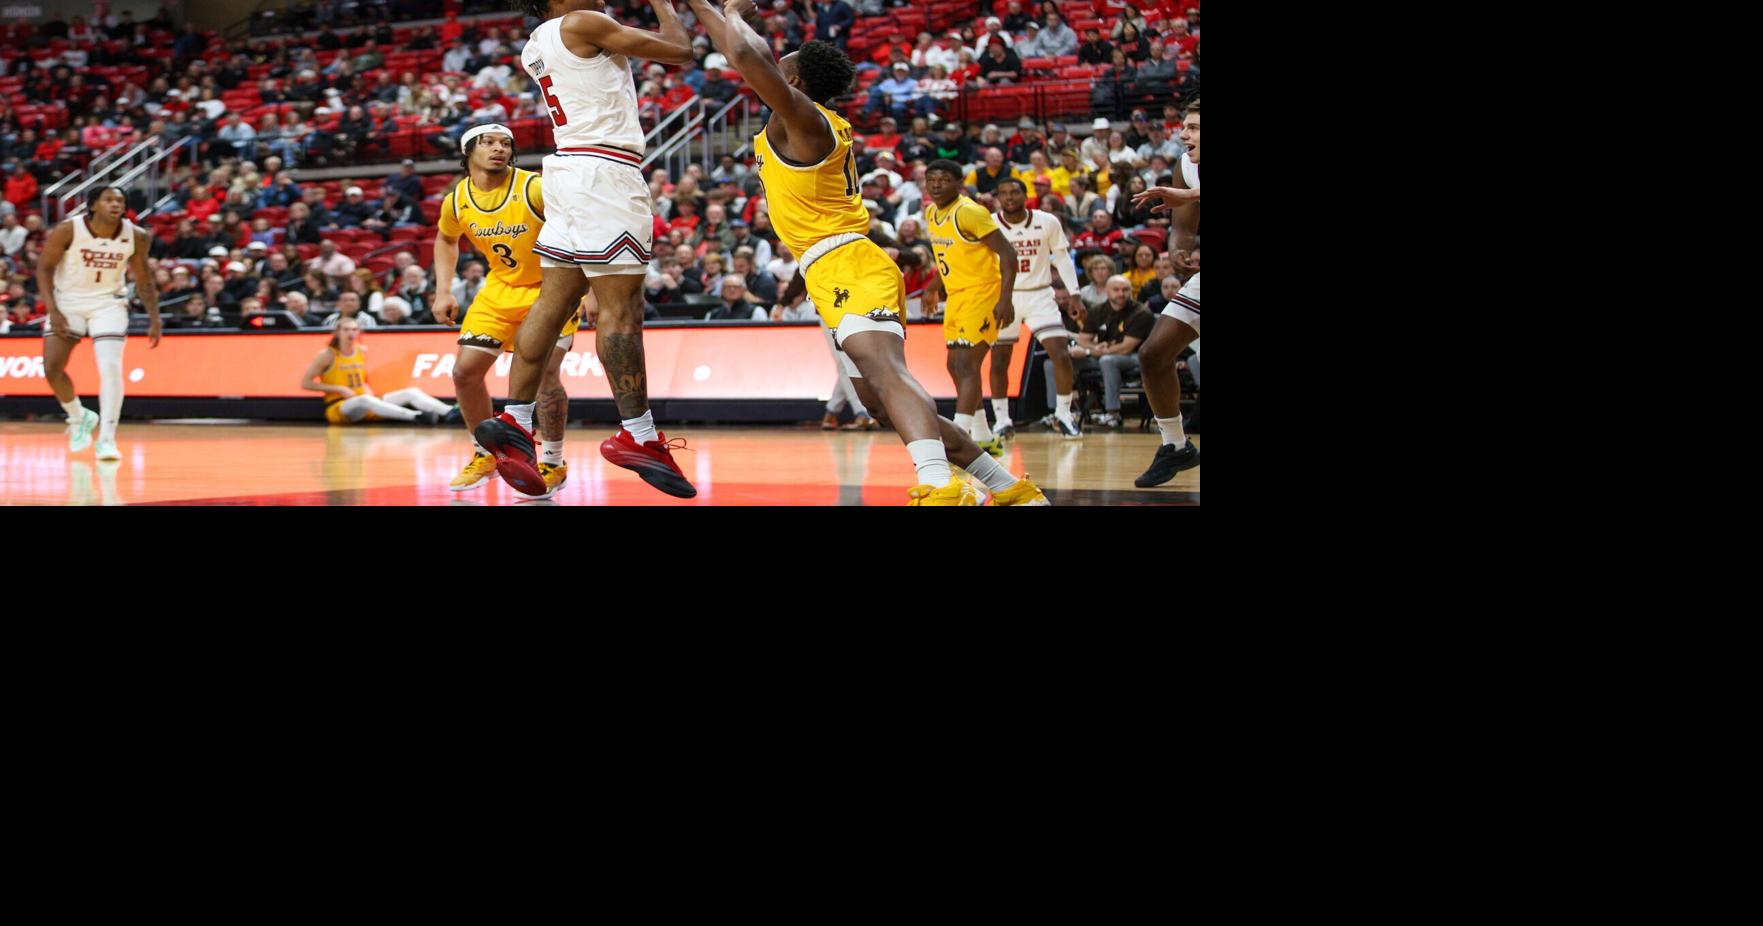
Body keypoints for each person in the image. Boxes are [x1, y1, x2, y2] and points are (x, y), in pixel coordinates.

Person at [690, 0, 1046, 505]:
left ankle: (942, 486)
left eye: (782, 65)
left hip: (851, 261)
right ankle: (1007, 487)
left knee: (886, 374)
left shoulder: (807, 121)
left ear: (795, 83)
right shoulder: (799, 116)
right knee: (878, 401)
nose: (773, 67)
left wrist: (732, 10)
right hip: (828, 268)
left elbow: (747, 54)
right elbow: (740, 50)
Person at [474, 0, 698, 500]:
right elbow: (680, 51)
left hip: (565, 170)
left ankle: (514, 417)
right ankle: (638, 436)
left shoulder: (537, 41)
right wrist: (664, 4)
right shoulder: (584, 22)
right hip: (605, 174)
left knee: (552, 304)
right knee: (622, 312)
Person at [430, 124, 584, 496]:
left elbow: (579, 227)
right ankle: (485, 453)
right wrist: (443, 291)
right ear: (468, 153)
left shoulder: (533, 187)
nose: (499, 149)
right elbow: (446, 239)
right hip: (500, 289)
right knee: (464, 372)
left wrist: (590, 286)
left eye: (506, 144)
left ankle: (552, 461)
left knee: (546, 373)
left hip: (552, 289)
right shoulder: (456, 200)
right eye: (489, 143)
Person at [35, 186, 161, 461]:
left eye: (120, 200)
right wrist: (53, 310)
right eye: (109, 199)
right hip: (68, 301)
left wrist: (155, 317)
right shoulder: (69, 229)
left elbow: (143, 279)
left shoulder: (137, 236)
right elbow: (44, 268)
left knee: (110, 368)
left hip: (108, 303)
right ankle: (79, 416)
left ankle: (107, 439)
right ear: (93, 205)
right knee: (52, 368)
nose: (116, 204)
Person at [920, 158, 1021, 461]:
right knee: (955, 366)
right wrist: (933, 285)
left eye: (943, 179)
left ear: (959, 183)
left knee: (966, 365)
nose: (936, 185)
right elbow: (947, 255)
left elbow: (1008, 253)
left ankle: (958, 438)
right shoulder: (931, 212)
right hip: (957, 295)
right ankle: (984, 437)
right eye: (931, 179)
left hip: (983, 294)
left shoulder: (970, 212)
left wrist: (1005, 298)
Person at [1128, 97, 1202, 485]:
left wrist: (1188, 196)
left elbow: (1188, 199)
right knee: (1154, 354)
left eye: (1193, 127)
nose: (1183, 133)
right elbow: (1185, 227)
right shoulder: (1187, 165)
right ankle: (1175, 445)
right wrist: (1179, 251)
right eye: (1185, 125)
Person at [989, 178, 1083, 439]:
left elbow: (1062, 258)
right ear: (998, 197)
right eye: (1004, 193)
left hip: (1040, 294)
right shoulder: (990, 223)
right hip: (1005, 297)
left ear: (1025, 194)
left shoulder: (1047, 220)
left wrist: (1074, 294)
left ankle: (1064, 414)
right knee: (1000, 360)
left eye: (1014, 192)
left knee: (1060, 354)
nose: (1009, 197)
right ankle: (1002, 419)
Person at [300, 318, 453, 424]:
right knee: (365, 400)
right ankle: (416, 416)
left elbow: (361, 378)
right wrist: (338, 388)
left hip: (366, 400)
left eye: (354, 329)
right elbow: (306, 383)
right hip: (339, 407)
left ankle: (450, 412)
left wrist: (367, 389)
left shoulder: (361, 350)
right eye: (346, 330)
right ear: (338, 333)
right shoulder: (327, 354)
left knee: (411, 392)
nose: (350, 333)